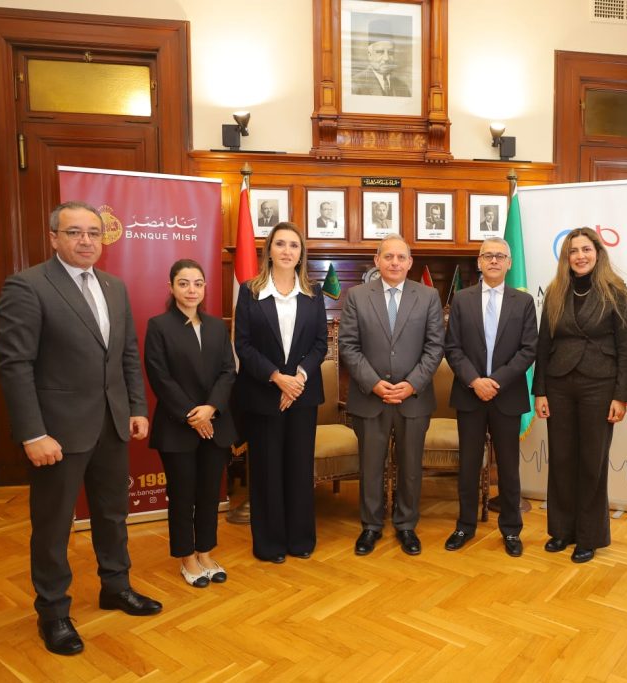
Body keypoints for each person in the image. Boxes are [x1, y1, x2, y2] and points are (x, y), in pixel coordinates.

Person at [0, 200, 162, 656]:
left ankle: (116, 587)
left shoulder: (114, 286)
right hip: (57, 433)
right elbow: (15, 366)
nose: (86, 240)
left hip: (111, 424)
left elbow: (126, 353)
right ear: (54, 237)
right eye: (74, 232)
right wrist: (33, 434)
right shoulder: (28, 286)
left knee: (112, 514)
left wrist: (136, 406)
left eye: (93, 232)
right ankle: (53, 613)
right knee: (53, 527)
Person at [532, 226, 627, 564]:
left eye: (586, 249)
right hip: (559, 385)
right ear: (567, 257)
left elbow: (626, 346)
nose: (580, 256)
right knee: (561, 459)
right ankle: (562, 530)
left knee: (593, 462)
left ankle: (589, 537)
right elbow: (544, 344)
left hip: (600, 385)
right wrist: (540, 391)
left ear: (597, 253)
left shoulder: (615, 291)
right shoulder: (555, 291)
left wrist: (621, 396)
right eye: (573, 251)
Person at [339, 235, 444, 556]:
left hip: (414, 398)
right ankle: (371, 526)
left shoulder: (428, 296)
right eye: (388, 257)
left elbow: (435, 347)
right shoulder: (357, 296)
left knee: (410, 467)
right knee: (371, 466)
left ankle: (406, 525)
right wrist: (373, 383)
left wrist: (412, 384)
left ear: (410, 262)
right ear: (377, 261)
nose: (395, 262)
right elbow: (348, 345)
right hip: (370, 398)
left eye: (401, 257)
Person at [234, 222, 328, 563]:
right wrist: (277, 378)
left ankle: (300, 539)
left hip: (303, 394)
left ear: (301, 253)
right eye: (280, 244)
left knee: (299, 469)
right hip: (263, 394)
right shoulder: (250, 291)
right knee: (267, 471)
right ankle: (270, 544)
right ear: (269, 251)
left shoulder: (314, 293)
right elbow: (243, 345)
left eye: (294, 245)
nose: (287, 250)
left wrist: (297, 379)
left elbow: (320, 343)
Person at [144, 259, 237, 588]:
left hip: (215, 424)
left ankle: (205, 553)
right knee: (182, 495)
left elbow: (228, 371)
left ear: (205, 287)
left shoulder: (216, 326)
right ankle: (186, 558)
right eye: (183, 283)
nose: (191, 290)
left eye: (198, 283)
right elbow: (159, 376)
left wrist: (210, 409)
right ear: (171, 288)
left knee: (210, 494)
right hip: (177, 427)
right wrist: (191, 415)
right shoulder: (159, 326)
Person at [444, 237, 537, 556]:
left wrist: (495, 381)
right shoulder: (462, 299)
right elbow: (452, 348)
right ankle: (464, 525)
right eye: (488, 255)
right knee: (469, 464)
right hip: (469, 394)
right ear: (479, 262)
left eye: (500, 256)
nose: (494, 260)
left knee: (508, 467)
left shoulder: (523, 302)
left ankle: (511, 529)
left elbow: (529, 349)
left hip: (507, 395)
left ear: (509, 263)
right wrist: (475, 381)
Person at [350, 19, 411, 97]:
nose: (386, 58)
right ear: (369, 54)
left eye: (390, 53)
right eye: (380, 52)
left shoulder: (403, 87)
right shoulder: (355, 85)